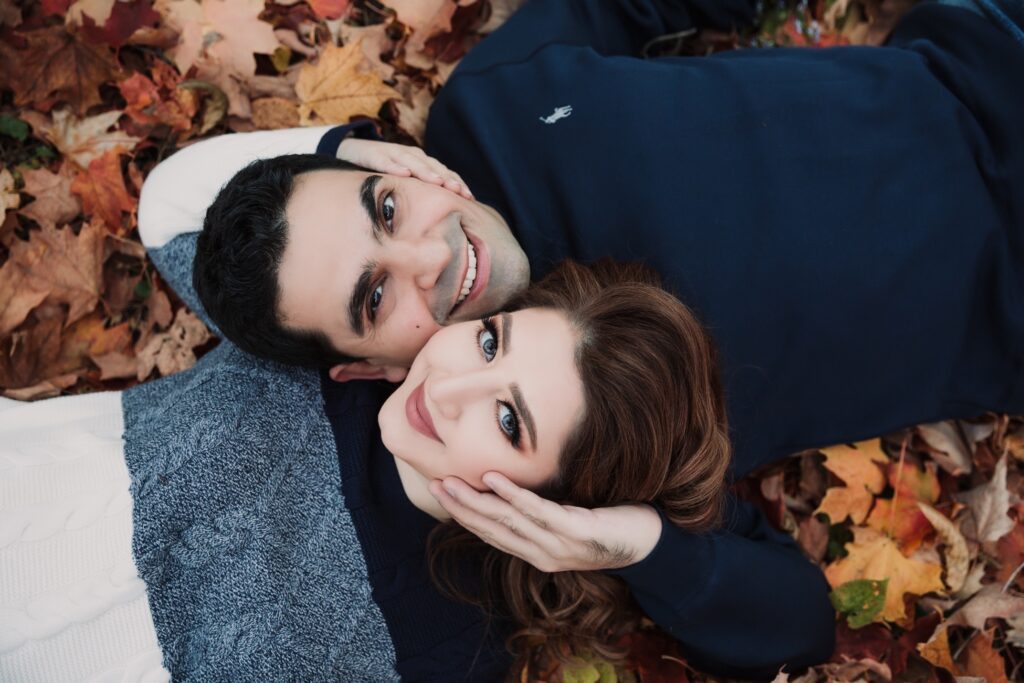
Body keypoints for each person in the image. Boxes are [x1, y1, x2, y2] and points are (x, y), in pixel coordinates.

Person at [0, 259, 832, 681]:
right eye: (490, 339)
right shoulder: (331, 344)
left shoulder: (449, 644)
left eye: (509, 420)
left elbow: (799, 627)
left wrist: (635, 543)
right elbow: (179, 206)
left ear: (557, 500)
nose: (451, 383)